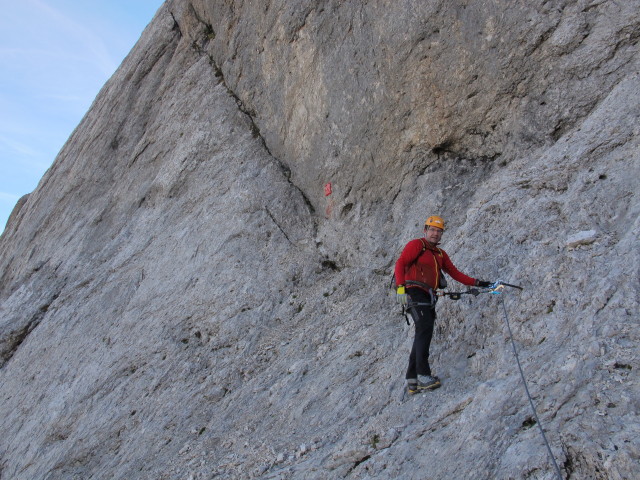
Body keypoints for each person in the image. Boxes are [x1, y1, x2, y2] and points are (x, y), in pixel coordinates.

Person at [394, 215, 492, 394]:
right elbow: (401, 263)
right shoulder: (417, 245)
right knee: (424, 329)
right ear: (425, 230)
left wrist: (479, 283)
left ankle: (412, 380)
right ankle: (423, 375)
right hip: (414, 291)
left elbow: (455, 273)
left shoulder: (440, 254)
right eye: (432, 230)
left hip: (427, 295)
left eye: (439, 231)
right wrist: (401, 287)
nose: (435, 234)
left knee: (423, 331)